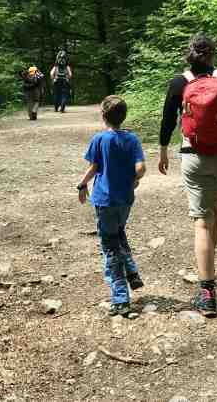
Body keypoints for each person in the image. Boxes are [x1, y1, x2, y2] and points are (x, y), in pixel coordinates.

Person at [157, 33, 217, 317]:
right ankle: (208, 259)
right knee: (215, 206)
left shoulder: (179, 82)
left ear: (189, 54)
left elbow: (167, 120)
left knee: (202, 222)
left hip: (194, 156)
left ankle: (207, 292)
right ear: (213, 54)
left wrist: (162, 152)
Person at [78, 95, 146, 316]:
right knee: (118, 233)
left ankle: (120, 299)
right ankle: (132, 272)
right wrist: (134, 180)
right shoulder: (133, 139)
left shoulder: (99, 139)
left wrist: (81, 184)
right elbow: (141, 168)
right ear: (123, 116)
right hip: (125, 199)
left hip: (104, 200)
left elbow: (94, 167)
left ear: (103, 116)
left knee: (109, 247)